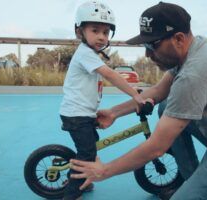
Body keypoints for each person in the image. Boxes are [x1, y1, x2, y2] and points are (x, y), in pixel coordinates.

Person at [69, 2, 207, 200]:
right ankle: (194, 180)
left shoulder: (194, 74)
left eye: (152, 45)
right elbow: (159, 91)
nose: (147, 54)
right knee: (166, 107)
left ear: (179, 39)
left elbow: (156, 148)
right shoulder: (196, 47)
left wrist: (104, 170)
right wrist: (115, 112)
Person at [59, 1, 146, 199]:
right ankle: (72, 193)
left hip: (83, 113)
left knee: (89, 148)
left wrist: (135, 91)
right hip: (76, 115)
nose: (101, 36)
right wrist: (135, 94)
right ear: (79, 31)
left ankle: (81, 180)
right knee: (88, 154)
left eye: (106, 32)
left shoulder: (90, 54)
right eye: (95, 30)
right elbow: (111, 75)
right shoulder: (85, 54)